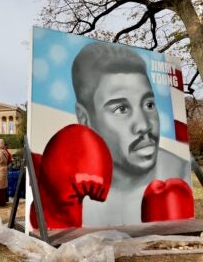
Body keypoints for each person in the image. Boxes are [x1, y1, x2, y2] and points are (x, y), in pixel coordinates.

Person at [71, 42, 191, 226]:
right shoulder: (72, 199)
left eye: (149, 105)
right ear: (85, 119)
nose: (143, 125)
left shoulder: (182, 175)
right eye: (121, 109)